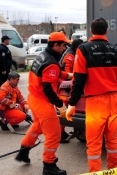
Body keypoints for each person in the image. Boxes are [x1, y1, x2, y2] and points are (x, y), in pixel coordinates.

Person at [65, 17, 117, 172]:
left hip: (96, 103)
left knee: (94, 143)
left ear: (91, 31)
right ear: (106, 30)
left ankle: (96, 172)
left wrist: (72, 104)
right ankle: (114, 170)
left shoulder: (84, 49)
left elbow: (78, 79)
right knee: (113, 140)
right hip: (114, 100)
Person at [15, 32, 72, 175]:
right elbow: (48, 88)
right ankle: (49, 166)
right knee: (54, 134)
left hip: (33, 97)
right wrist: (60, 104)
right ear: (56, 45)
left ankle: (23, 151)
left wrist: (68, 75)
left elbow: (50, 73)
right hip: (42, 101)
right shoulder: (51, 62)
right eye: (64, 45)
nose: (66, 47)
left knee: (37, 126)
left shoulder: (44, 56)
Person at [59, 38, 83, 143]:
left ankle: (62, 133)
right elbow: (66, 74)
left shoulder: (71, 54)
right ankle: (59, 135)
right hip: (65, 87)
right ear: (77, 47)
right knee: (63, 111)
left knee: (64, 111)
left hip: (67, 86)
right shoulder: (70, 56)